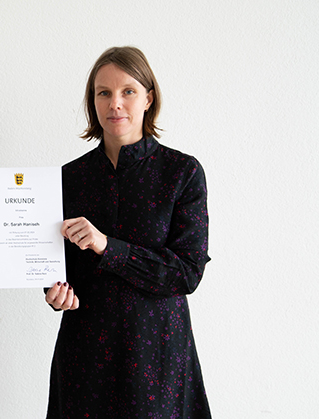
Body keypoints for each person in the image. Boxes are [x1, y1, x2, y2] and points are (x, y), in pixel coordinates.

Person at [45, 46, 212, 418]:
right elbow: (54, 265)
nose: (115, 103)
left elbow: (186, 271)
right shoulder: (68, 178)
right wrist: (54, 291)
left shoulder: (182, 173)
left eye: (128, 91)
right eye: (103, 92)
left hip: (156, 356)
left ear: (149, 98)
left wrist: (108, 246)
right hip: (84, 352)